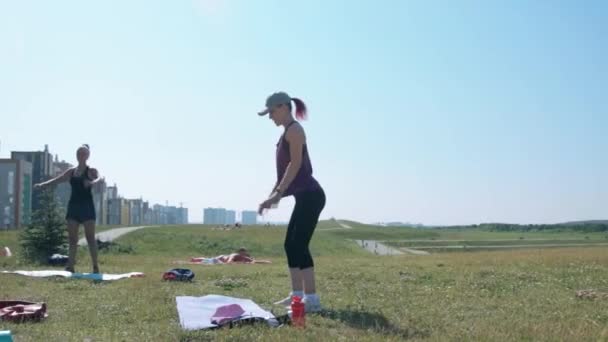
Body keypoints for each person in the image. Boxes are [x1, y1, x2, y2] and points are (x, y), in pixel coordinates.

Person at [257, 92, 326, 313]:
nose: (270, 117)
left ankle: (312, 300)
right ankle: (297, 296)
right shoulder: (286, 133)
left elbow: (294, 165)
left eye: (272, 112)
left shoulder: (295, 130)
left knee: (299, 244)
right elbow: (283, 175)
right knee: (291, 244)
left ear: (284, 107)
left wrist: (278, 193)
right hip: (303, 196)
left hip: (312, 196)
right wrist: (271, 197)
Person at [34, 144, 102, 273]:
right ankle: (70, 266)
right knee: (72, 239)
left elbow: (100, 178)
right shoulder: (71, 171)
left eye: (83, 153)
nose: (80, 155)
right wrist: (42, 185)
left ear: (87, 156)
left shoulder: (91, 170)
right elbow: (57, 180)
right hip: (73, 207)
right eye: (78, 153)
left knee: (90, 238)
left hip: (87, 207)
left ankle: (95, 266)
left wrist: (92, 182)